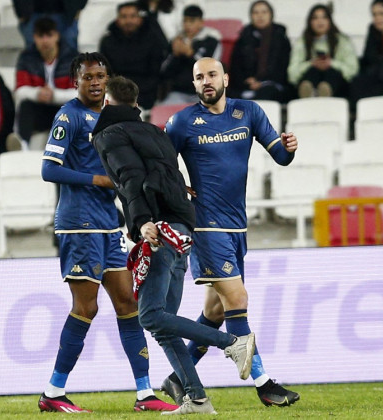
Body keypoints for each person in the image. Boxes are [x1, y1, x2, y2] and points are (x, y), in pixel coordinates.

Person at [91, 75, 256, 415]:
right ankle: (196, 399)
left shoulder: (109, 135)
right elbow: (167, 174)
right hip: (181, 230)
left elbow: (129, 178)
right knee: (165, 325)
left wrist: (141, 222)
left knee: (151, 317)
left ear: (106, 104)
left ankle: (233, 343)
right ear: (135, 105)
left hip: (159, 231)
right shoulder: (154, 131)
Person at [37, 52, 176, 413]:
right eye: (88, 77)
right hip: (78, 222)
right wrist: (95, 179)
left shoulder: (112, 118)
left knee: (128, 303)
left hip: (109, 223)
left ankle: (144, 393)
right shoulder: (68, 116)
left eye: (101, 76)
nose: (96, 82)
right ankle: (53, 391)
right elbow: (49, 170)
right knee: (86, 306)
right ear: (75, 82)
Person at [162, 57, 300, 407]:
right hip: (206, 227)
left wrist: (289, 147)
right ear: (193, 85)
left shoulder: (248, 112)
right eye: (198, 77)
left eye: (211, 74)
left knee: (217, 311)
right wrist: (179, 185)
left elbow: (280, 157)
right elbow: (160, 165)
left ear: (225, 77)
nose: (206, 81)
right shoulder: (183, 121)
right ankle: (264, 383)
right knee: (237, 301)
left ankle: (179, 376)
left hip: (237, 226)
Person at [14, 17, 77, 146]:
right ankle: (22, 146)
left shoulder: (74, 58)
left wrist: (54, 95)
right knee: (25, 106)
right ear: (34, 38)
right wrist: (37, 93)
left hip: (63, 109)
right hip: (39, 109)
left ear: (57, 36)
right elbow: (19, 91)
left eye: (49, 35)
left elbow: (80, 94)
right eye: (40, 36)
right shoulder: (26, 58)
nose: (45, 40)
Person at [99, 2, 166, 110]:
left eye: (133, 16)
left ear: (140, 19)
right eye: (124, 17)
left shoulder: (153, 40)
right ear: (117, 20)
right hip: (115, 93)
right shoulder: (108, 41)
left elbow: (155, 73)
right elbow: (105, 73)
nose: (128, 21)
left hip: (144, 94)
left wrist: (133, 92)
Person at [287, 4, 358, 98]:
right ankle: (308, 92)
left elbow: (353, 70)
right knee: (313, 72)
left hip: (338, 86)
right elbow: (292, 74)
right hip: (310, 76)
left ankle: (326, 90)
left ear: (330, 21)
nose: (320, 21)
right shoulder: (302, 42)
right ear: (310, 22)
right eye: (315, 18)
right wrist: (311, 64)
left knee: (331, 73)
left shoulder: (342, 41)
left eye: (324, 17)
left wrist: (331, 63)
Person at [228, 0, 293, 102]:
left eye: (264, 12)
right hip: (245, 85)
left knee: (266, 94)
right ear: (251, 16)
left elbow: (283, 67)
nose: (260, 16)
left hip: (272, 84)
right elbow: (235, 67)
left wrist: (262, 82)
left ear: (271, 15)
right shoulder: (244, 38)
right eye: (256, 12)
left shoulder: (280, 38)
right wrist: (247, 81)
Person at [159, 4, 221, 105]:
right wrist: (175, 55)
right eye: (185, 21)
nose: (187, 25)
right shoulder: (176, 41)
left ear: (201, 23)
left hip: (205, 93)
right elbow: (163, 72)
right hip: (178, 93)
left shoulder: (211, 41)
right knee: (163, 112)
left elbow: (211, 71)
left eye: (191, 21)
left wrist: (190, 54)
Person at [12, 0, 86, 51]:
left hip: (65, 12)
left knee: (69, 53)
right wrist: (20, 10)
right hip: (31, 12)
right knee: (32, 57)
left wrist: (78, 6)